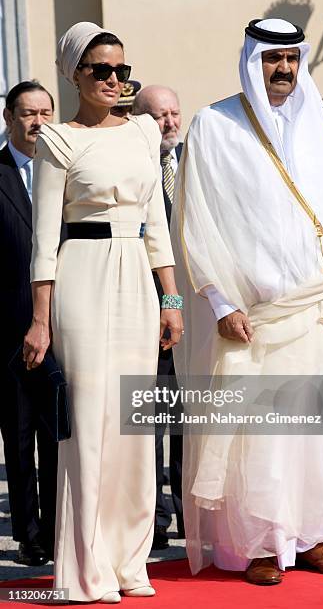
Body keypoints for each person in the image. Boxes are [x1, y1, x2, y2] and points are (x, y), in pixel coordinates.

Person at [171, 18, 323, 586]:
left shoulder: (320, 124)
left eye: (292, 59)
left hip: (314, 310)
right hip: (250, 315)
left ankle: (315, 538)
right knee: (257, 435)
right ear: (252, 60)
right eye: (272, 58)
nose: (283, 69)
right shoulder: (215, 124)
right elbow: (195, 222)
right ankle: (255, 544)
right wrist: (220, 302)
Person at [23, 21, 183, 603]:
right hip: (81, 280)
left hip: (138, 285)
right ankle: (88, 568)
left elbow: (157, 227)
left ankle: (129, 562)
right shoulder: (57, 140)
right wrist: (40, 320)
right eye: (101, 71)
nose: (115, 80)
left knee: (134, 428)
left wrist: (171, 301)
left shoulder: (143, 132)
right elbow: (44, 240)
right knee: (89, 425)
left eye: (121, 70)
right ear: (76, 75)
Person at [0, 80, 57, 566]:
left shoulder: (66, 173)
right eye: (28, 113)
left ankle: (60, 528)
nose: (38, 121)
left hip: (67, 326)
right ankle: (29, 533)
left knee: (58, 433)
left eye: (45, 112)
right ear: (8, 118)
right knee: (18, 439)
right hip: (11, 332)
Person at [133, 85, 184, 549]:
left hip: (199, 316)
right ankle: (156, 519)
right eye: (158, 115)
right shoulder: (134, 165)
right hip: (150, 314)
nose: (169, 122)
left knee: (191, 423)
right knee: (150, 422)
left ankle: (191, 514)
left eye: (173, 113)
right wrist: (170, 307)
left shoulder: (195, 163)